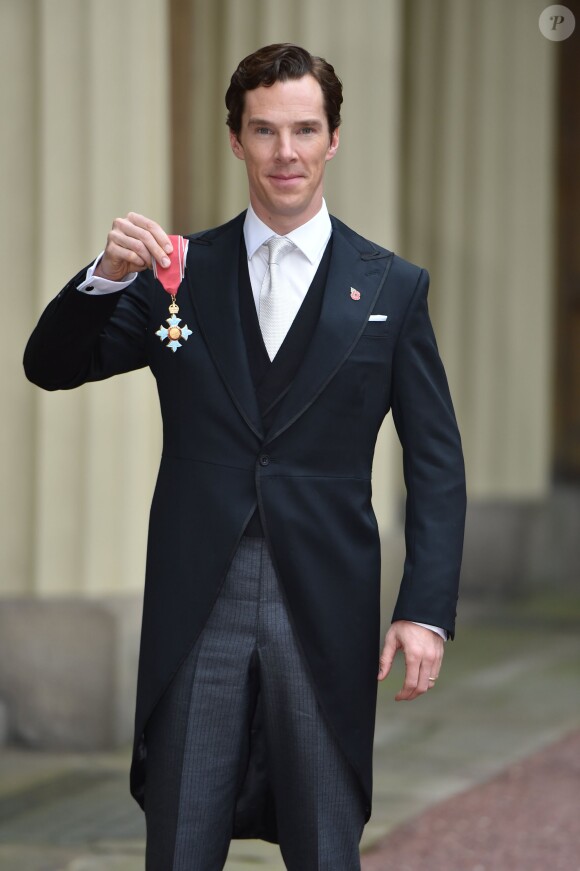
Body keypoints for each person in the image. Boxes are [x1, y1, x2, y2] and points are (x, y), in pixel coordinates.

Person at [24, 43, 466, 871]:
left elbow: (436, 460)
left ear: (334, 137)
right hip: (200, 604)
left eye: (305, 129)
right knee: (183, 839)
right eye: (265, 131)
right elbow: (49, 366)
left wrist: (424, 607)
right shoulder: (173, 275)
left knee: (325, 842)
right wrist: (106, 277)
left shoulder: (393, 287)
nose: (286, 152)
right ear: (237, 140)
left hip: (324, 601)